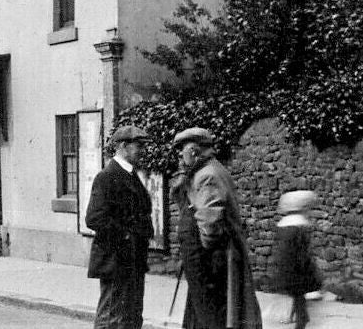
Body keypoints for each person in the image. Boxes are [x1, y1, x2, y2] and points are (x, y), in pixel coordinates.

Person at [172, 127, 262, 329]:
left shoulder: (207, 175)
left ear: (195, 151)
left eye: (182, 149)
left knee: (211, 314)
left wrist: (201, 257)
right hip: (205, 260)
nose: (179, 154)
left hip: (208, 261)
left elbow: (210, 225)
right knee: (204, 313)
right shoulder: (203, 171)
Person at [85, 125, 154, 329]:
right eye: (138, 146)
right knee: (112, 317)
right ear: (123, 146)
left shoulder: (131, 175)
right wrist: (125, 235)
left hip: (132, 258)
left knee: (132, 316)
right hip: (115, 259)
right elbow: (94, 218)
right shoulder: (107, 176)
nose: (142, 150)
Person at [272, 190, 322, 329]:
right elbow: (302, 255)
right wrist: (312, 275)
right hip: (297, 273)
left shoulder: (283, 226)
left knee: (298, 300)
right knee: (301, 310)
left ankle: (295, 317)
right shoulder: (299, 227)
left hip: (288, 271)